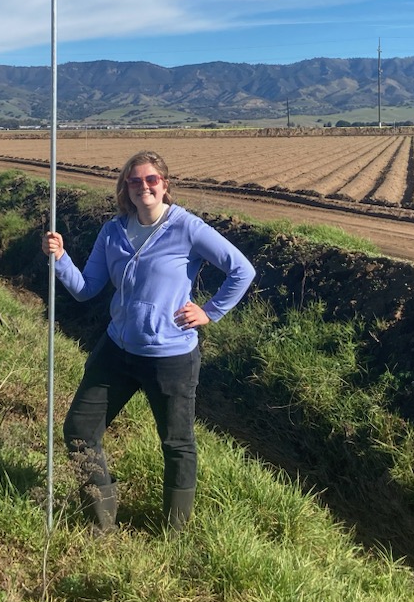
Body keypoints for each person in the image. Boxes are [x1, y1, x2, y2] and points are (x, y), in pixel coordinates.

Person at [42, 149, 255, 532]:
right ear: (126, 187)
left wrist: (210, 311)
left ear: (164, 184)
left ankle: (174, 531)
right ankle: (101, 521)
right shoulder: (112, 231)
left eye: (151, 179)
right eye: (135, 180)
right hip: (116, 351)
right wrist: (60, 259)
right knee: (79, 429)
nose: (144, 186)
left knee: (177, 443)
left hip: (170, 358)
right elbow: (86, 289)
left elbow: (241, 269)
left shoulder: (186, 227)